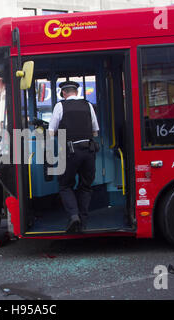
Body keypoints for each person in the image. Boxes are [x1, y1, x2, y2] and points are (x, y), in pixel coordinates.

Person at [48, 81, 99, 233]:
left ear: (63, 93)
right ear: (76, 92)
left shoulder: (60, 106)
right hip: (89, 151)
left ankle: (74, 216)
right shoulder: (87, 105)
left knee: (65, 185)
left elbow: (51, 130)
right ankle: (83, 222)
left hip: (70, 151)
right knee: (86, 186)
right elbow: (95, 130)